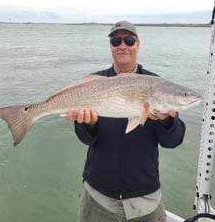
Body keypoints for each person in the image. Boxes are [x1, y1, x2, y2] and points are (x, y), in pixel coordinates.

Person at [67, 20, 186, 222]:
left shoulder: (158, 86)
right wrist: (87, 124)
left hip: (145, 199)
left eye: (129, 40)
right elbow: (86, 139)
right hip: (98, 197)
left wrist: (167, 121)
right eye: (116, 41)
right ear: (111, 46)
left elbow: (172, 141)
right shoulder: (95, 83)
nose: (123, 45)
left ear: (137, 45)